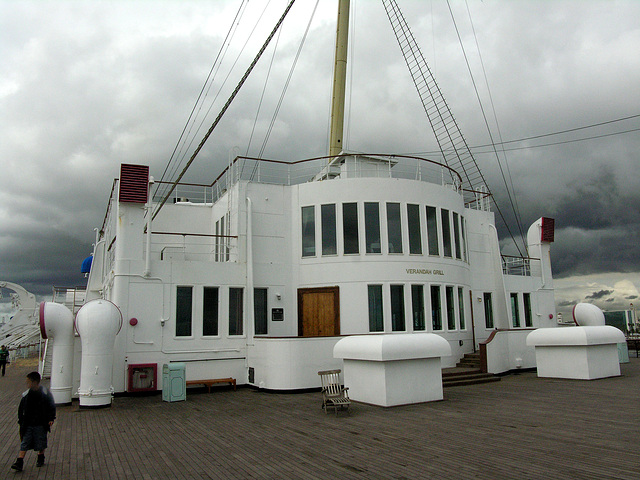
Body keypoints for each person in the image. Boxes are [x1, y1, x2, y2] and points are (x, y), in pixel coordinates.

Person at [11, 371, 56, 472]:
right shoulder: (26, 394)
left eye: (28, 382)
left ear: (35, 382)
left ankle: (40, 456)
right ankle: (19, 461)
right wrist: (21, 420)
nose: (27, 384)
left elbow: (51, 406)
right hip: (28, 423)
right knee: (25, 442)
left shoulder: (44, 392)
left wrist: (51, 418)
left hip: (40, 423)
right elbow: (21, 407)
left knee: (41, 441)